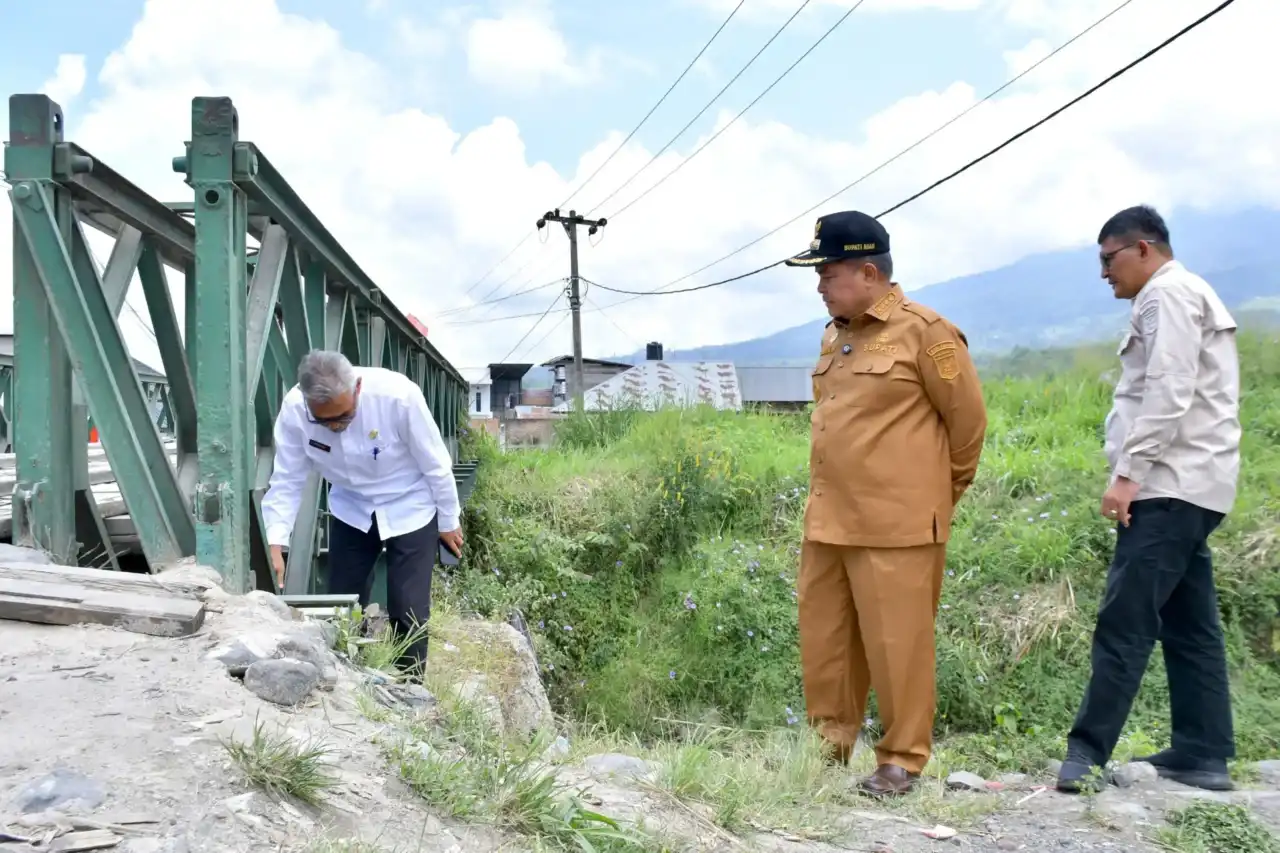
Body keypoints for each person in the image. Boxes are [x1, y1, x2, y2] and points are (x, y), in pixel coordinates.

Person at [786, 210, 988, 797]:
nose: (820, 284)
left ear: (868, 271)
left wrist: (931, 500)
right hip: (829, 520)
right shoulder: (835, 336)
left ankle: (901, 760)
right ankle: (829, 748)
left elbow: (967, 426)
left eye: (828, 272)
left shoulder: (927, 333)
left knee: (898, 646)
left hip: (897, 526)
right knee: (826, 644)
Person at [1057, 205, 1240, 794]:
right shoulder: (1177, 294)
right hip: (1193, 483)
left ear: (1142, 249)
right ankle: (1202, 752)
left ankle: (1084, 755)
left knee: (1126, 619)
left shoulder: (1167, 295)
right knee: (1190, 624)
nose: (1104, 273)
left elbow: (1168, 388)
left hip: (1167, 484)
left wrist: (1128, 476)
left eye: (1108, 259)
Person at [261, 350, 463, 677]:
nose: (336, 426)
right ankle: (348, 679)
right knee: (342, 604)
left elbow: (436, 465)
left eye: (344, 416)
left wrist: (448, 520)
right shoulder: (295, 410)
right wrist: (274, 540)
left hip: (409, 503)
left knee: (408, 608)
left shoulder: (398, 396)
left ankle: (409, 687)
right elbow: (287, 478)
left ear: (356, 389)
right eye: (324, 421)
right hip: (350, 507)